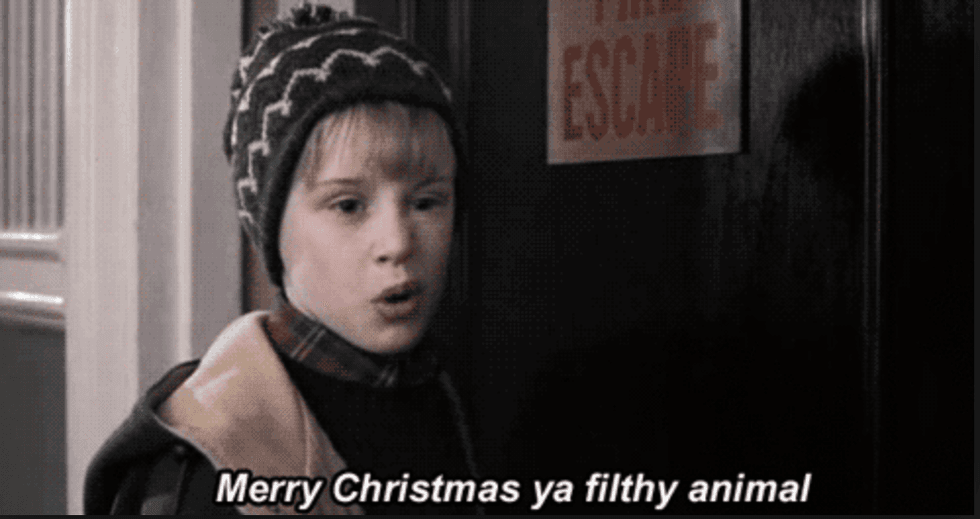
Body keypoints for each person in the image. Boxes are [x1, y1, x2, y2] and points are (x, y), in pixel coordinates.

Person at [83, 4, 479, 514]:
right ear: (272, 230)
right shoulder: (207, 464)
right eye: (348, 206)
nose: (398, 243)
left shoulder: (452, 394)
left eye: (426, 202)